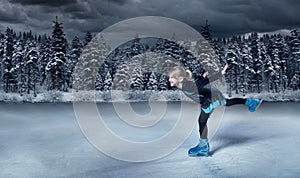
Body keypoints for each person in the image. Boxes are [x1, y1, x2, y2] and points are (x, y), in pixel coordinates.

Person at [168, 64, 263, 156]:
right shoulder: (183, 84)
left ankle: (203, 147)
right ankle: (252, 102)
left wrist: (220, 74)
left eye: (172, 77)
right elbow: (198, 82)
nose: (169, 79)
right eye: (170, 77)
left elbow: (202, 83)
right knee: (227, 103)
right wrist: (202, 76)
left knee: (202, 121)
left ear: (180, 79)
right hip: (209, 96)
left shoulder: (187, 85)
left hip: (209, 99)